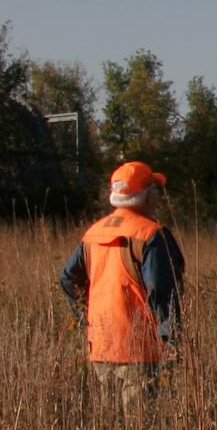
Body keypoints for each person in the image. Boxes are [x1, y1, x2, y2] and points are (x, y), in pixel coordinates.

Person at [57, 160, 186, 411]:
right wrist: (171, 337)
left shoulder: (93, 233)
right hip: (140, 350)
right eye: (155, 189)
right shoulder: (151, 234)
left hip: (101, 347)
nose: (159, 195)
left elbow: (67, 278)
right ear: (147, 196)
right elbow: (161, 290)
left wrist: (85, 318)